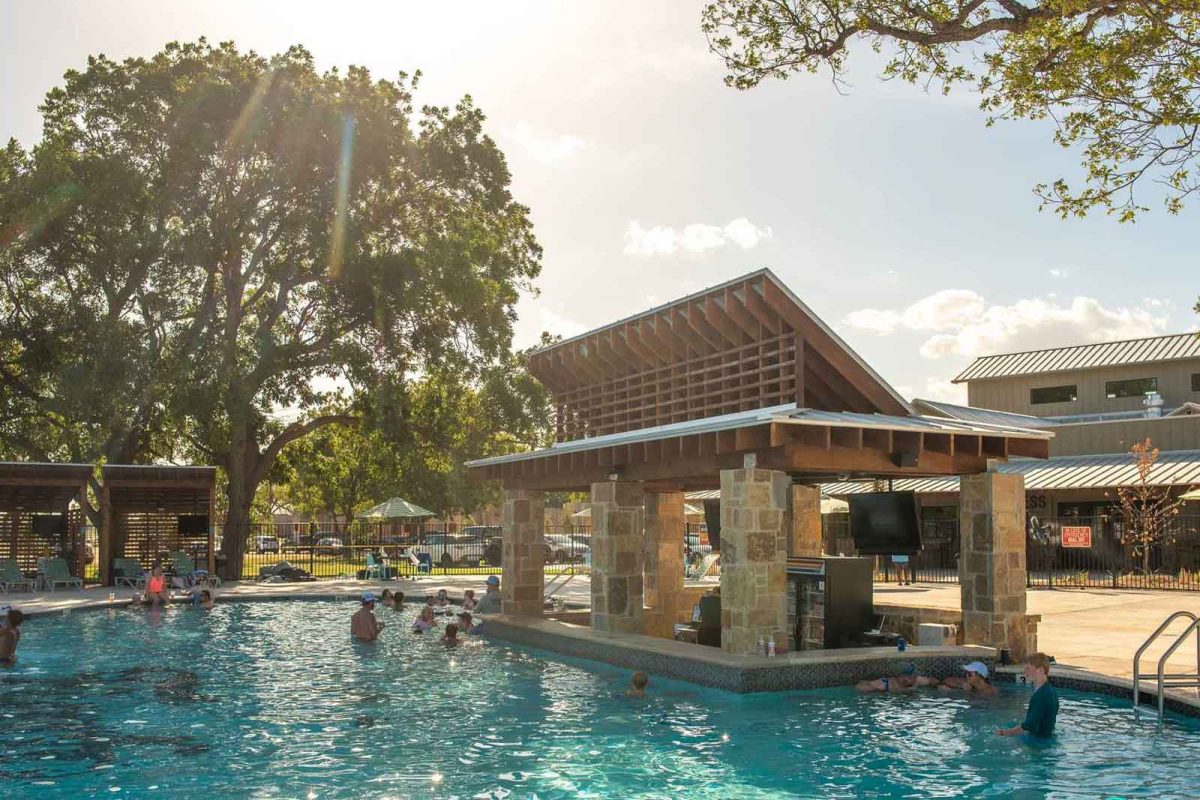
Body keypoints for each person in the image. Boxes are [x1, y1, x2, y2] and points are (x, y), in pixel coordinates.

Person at [997, 652, 1059, 738]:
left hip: (1036, 743)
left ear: (1040, 670)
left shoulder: (1040, 695)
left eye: (1028, 668)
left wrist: (1006, 733)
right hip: (1047, 737)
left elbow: (1030, 725)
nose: (1025, 672)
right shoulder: (1051, 691)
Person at [856, 664, 939, 693]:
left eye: (915, 676)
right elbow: (859, 687)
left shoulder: (917, 680)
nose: (915, 679)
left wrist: (939, 686)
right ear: (902, 677)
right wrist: (875, 690)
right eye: (912, 677)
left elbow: (933, 680)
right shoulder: (886, 684)